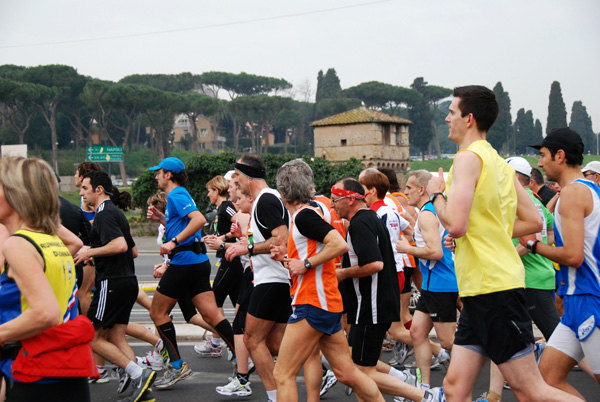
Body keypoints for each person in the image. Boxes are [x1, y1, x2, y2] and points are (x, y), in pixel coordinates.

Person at [426, 85, 579, 401]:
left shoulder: (467, 159)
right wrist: (486, 231)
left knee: (531, 390)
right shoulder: (497, 161)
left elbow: (454, 225)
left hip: (493, 289)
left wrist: (435, 195)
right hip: (481, 290)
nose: (447, 118)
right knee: (455, 389)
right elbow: (533, 222)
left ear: (468, 119)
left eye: (451, 112)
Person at [269, 160, 385, 402]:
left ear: (282, 193)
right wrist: (288, 259)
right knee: (347, 372)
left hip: (312, 303)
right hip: (327, 303)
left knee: (282, 373)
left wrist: (306, 263)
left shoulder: (303, 217)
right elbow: (314, 254)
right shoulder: (315, 211)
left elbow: (338, 245)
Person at [333, 177, 444, 402]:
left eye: (336, 200)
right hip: (374, 302)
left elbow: (375, 264)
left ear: (351, 200)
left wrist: (342, 273)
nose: (333, 205)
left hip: (371, 305)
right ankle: (408, 382)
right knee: (358, 362)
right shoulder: (370, 218)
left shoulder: (360, 223)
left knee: (362, 371)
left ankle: (425, 396)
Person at [0, 157, 94, 402]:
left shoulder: (18, 244)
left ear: (14, 195)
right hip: (67, 369)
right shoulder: (51, 240)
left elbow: (46, 313)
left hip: (34, 372)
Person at [146, 157, 236, 390]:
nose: (156, 176)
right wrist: (163, 219)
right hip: (197, 262)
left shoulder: (176, 194)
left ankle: (176, 366)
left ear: (168, 175)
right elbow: (185, 222)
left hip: (184, 262)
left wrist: (173, 242)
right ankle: (242, 355)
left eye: (159, 172)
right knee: (211, 315)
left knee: (158, 313)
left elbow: (199, 219)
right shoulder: (178, 195)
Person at [74, 171, 156, 402]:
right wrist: (98, 256)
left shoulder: (103, 214)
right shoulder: (117, 213)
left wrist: (91, 251)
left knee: (92, 336)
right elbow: (132, 250)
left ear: (99, 190)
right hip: (126, 281)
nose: (81, 193)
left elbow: (120, 245)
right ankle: (142, 390)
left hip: (112, 283)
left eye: (85, 188)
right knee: (118, 338)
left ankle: (139, 373)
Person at [531, 128, 600, 398]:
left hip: (588, 299)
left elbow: (573, 256)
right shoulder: (588, 189)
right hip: (576, 301)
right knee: (545, 380)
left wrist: (533, 245)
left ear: (560, 156)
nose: (539, 162)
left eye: (543, 155)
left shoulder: (572, 194)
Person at [224, 154, 290, 402]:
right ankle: (323, 364)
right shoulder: (266, 199)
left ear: (247, 176)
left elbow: (280, 239)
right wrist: (246, 240)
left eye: (236, 175)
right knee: (275, 345)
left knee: (252, 339)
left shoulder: (265, 200)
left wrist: (247, 249)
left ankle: (277, 397)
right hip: (273, 280)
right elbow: (268, 239)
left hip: (272, 280)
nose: (235, 180)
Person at [396, 170, 457, 391]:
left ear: (422, 189)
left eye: (409, 188)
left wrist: (407, 248)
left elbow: (436, 252)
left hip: (441, 284)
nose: (405, 192)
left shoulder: (427, 214)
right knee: (417, 332)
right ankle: (424, 387)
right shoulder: (428, 212)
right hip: (432, 285)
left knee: (449, 342)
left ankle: (464, 382)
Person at [196, 175, 242, 358]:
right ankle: (238, 340)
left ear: (216, 191)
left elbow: (240, 222)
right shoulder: (221, 209)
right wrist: (218, 237)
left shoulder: (226, 208)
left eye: (209, 191)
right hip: (229, 257)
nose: (207, 195)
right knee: (237, 301)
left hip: (231, 258)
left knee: (213, 302)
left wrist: (223, 239)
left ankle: (220, 342)